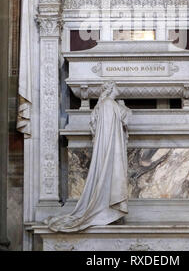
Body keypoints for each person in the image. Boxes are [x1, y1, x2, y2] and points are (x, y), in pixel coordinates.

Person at [46, 81, 129, 232]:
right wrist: (124, 110)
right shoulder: (109, 104)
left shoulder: (105, 105)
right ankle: (106, 211)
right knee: (110, 176)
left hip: (107, 150)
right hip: (110, 152)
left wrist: (122, 109)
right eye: (116, 86)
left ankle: (107, 210)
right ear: (110, 89)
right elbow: (120, 124)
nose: (118, 89)